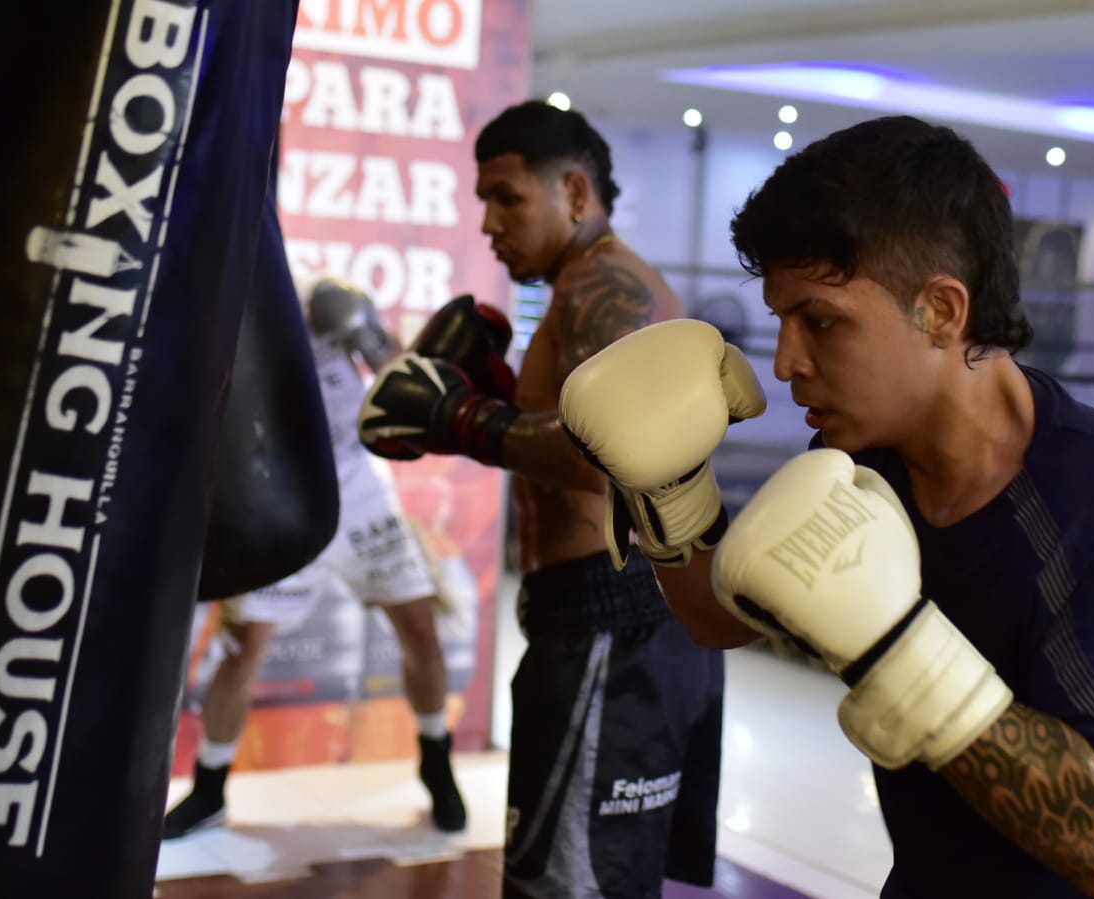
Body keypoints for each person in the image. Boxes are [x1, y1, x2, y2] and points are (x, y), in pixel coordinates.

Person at [560, 116, 1094, 898]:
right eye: (780, 320)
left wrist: (894, 646)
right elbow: (722, 616)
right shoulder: (860, 462)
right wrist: (669, 494)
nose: (786, 362)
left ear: (939, 309)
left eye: (822, 321)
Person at [357, 100, 726, 899]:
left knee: (570, 885)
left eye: (507, 198)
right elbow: (571, 432)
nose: (487, 221)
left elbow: (616, 453)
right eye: (481, 199)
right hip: (596, 615)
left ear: (576, 195)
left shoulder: (610, 287)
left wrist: (464, 416)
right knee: (578, 876)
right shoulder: (575, 293)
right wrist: (495, 404)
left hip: (615, 618)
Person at [163, 276, 472, 840]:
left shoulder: (323, 305)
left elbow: (403, 382)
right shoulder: (224, 313)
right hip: (282, 492)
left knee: (420, 632)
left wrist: (371, 333)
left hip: (357, 491)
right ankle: (209, 790)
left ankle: (437, 759)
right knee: (245, 646)